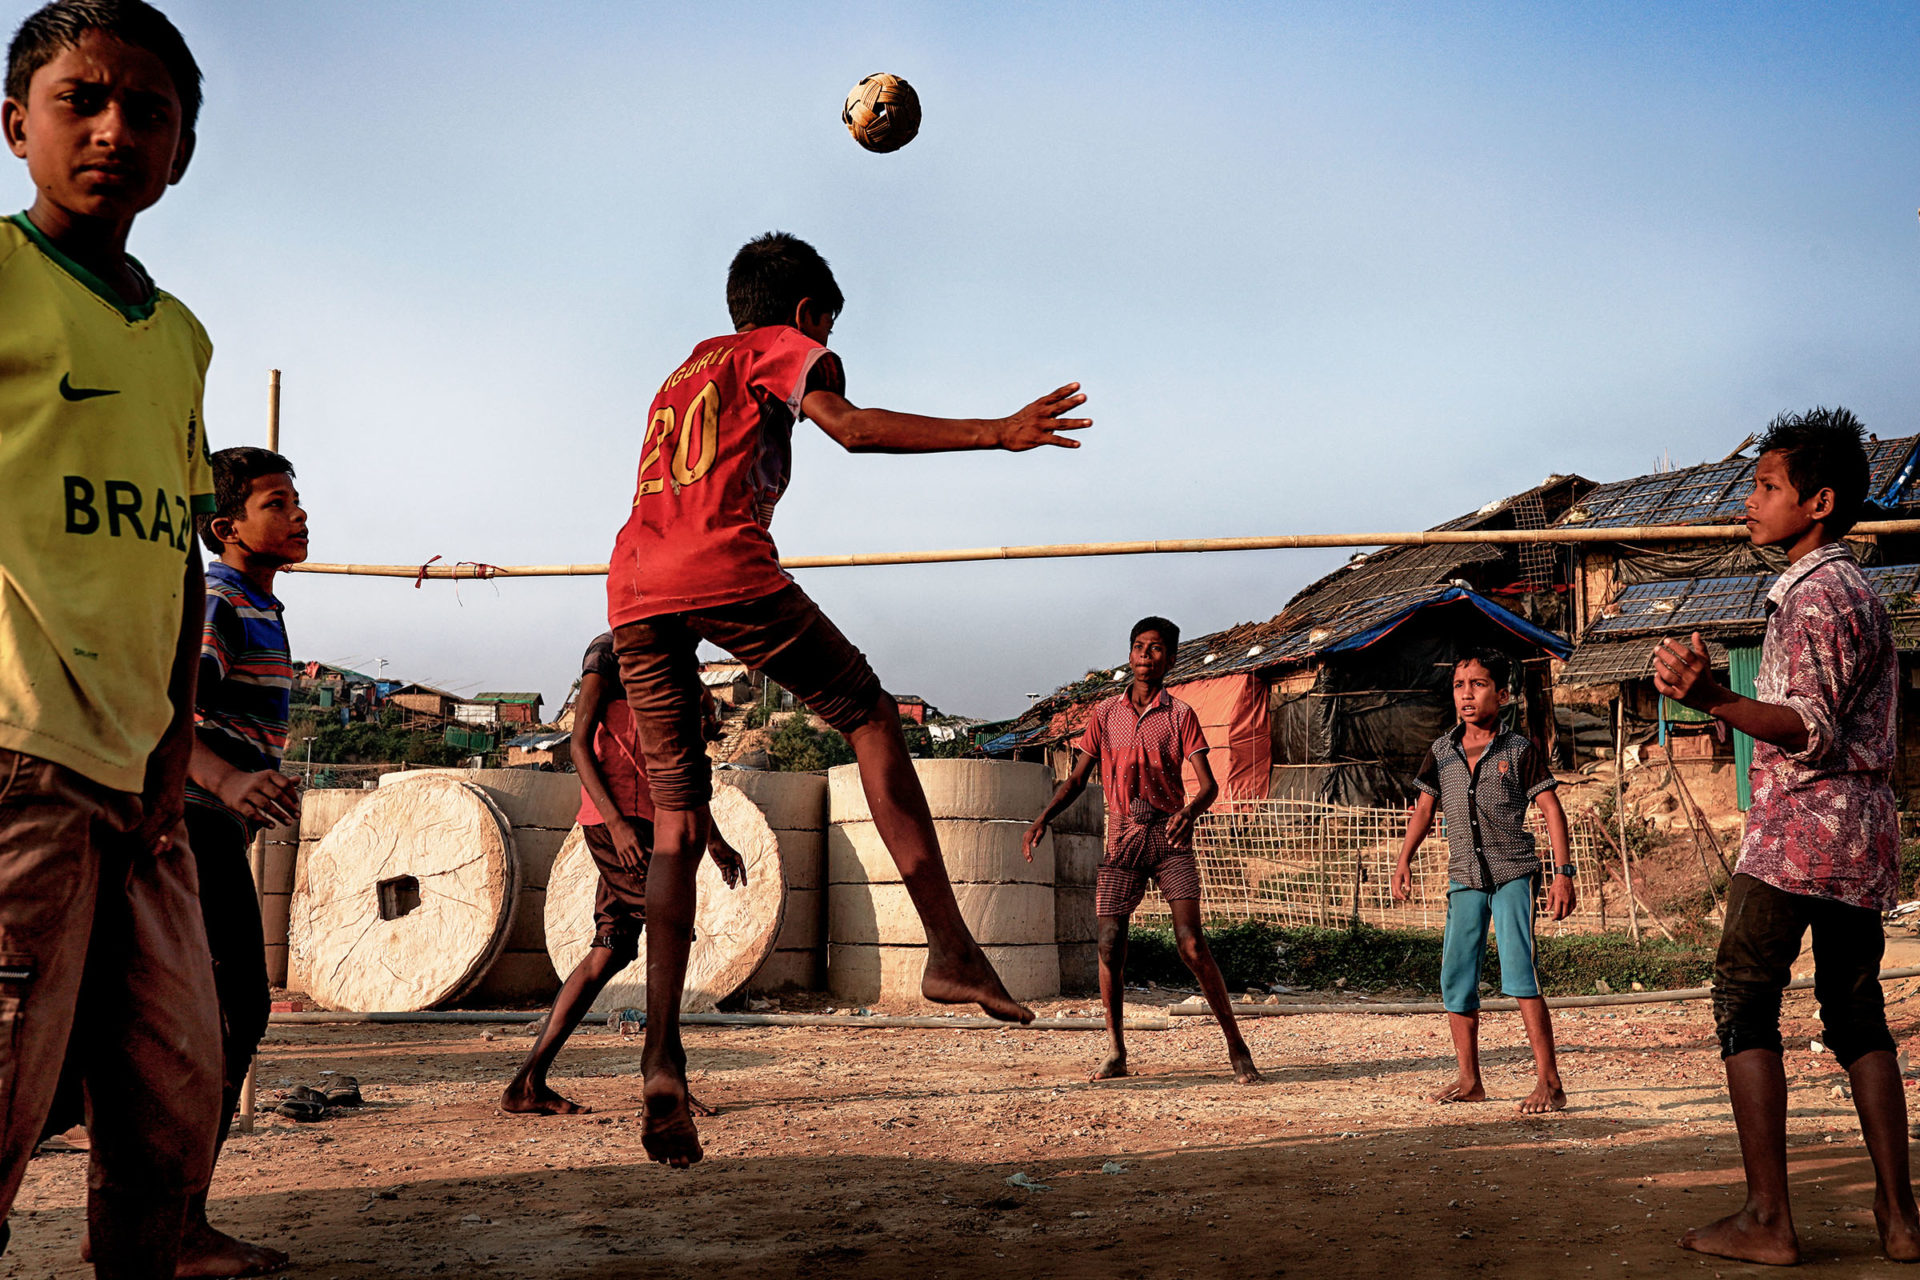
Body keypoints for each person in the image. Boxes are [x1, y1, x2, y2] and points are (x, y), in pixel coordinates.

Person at [607, 231, 1089, 1165]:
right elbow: (852, 427)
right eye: (831, 328)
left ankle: (662, 1055)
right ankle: (950, 950)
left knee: (674, 822)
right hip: (720, 566)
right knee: (870, 717)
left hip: (631, 582)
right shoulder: (779, 349)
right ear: (807, 316)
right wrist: (1000, 431)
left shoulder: (680, 375)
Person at [0, 2, 224, 1274]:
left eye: (148, 109)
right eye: (79, 98)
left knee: (173, 1093)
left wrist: (174, 749)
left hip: (140, 780)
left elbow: (178, 554)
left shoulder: (179, 336)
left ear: (181, 150)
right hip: (17, 753)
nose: (113, 128)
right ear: (14, 123)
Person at [1655, 408, 1920, 1266]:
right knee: (1856, 1017)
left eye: (1767, 487)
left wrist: (1710, 699)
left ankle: (1769, 1217)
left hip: (1799, 835)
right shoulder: (1863, 594)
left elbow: (1806, 728)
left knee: (1744, 998)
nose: (1749, 500)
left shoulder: (1812, 596)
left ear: (1820, 501)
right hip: (1862, 837)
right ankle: (1900, 1218)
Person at [501, 633, 743, 1118]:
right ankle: (665, 1074)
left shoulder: (680, 664)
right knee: (670, 930)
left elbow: (677, 766)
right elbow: (578, 745)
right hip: (618, 823)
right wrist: (616, 824)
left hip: (654, 819)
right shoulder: (609, 653)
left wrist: (712, 838)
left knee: (610, 948)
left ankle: (527, 1084)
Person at [1024, 617, 1260, 1085]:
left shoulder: (1180, 716)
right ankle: (1115, 1050)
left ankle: (1237, 1046)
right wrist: (1044, 817)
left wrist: (1190, 812)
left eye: (1155, 650)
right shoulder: (1106, 715)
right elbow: (1077, 779)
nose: (1145, 657)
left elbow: (1209, 785)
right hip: (1123, 838)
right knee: (1110, 943)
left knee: (1192, 944)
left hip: (1169, 839)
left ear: (1170, 659)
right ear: (1129, 655)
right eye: (1138, 647)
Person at [179, 447, 308, 1276]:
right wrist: (225, 778)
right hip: (189, 822)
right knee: (231, 1017)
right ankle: (175, 1221)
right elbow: (168, 707)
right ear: (225, 527)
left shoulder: (259, 604)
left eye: (297, 501)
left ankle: (154, 1214)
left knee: (220, 1019)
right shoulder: (222, 599)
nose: (298, 515)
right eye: (277, 503)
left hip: (208, 822)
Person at [1390, 650, 1575, 1114]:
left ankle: (1549, 1082)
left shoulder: (1518, 751)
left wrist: (1562, 873)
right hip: (1465, 878)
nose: (1467, 694)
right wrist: (1403, 860)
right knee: (1456, 976)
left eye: (1478, 684)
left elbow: (1552, 810)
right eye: (1459, 685)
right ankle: (1470, 1080)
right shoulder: (1442, 751)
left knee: (1519, 972)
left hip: (1513, 873)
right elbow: (1425, 811)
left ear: (1503, 694)